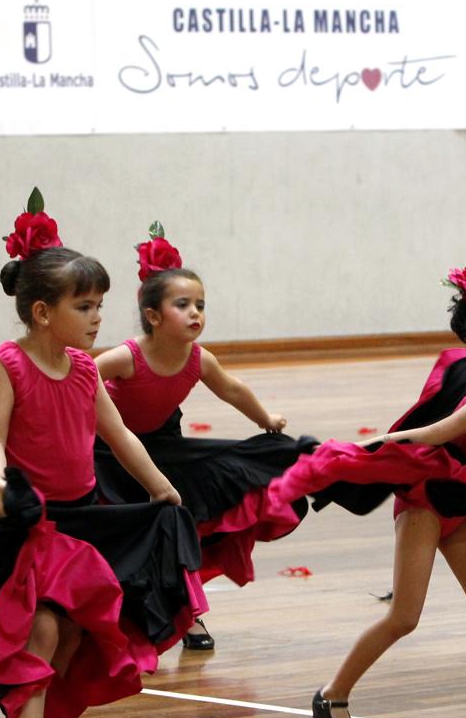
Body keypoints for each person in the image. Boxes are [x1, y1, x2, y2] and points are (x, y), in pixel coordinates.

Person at [0, 190, 206, 718]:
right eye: (85, 306)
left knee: (68, 639)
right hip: (26, 527)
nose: (98, 318)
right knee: (40, 633)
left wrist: (161, 488)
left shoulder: (87, 369)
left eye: (99, 305)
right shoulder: (9, 367)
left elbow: (118, 437)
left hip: (82, 523)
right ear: (43, 312)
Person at [266, 267, 466, 718]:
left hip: (460, 505)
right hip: (425, 504)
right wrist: (350, 453)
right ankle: (332, 695)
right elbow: (420, 438)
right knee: (405, 617)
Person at [94, 222, 317, 649]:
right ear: (154, 316)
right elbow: (82, 378)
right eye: (183, 304)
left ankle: (189, 617)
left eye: (200, 303)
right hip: (109, 455)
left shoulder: (199, 359)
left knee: (185, 524)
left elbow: (232, 389)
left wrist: (265, 419)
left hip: (166, 449)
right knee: (132, 536)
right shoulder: (127, 356)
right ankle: (118, 618)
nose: (196, 312)